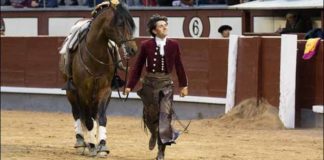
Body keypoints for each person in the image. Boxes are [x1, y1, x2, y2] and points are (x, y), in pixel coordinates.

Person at [124, 14, 188, 160]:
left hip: (166, 84)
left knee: (164, 117)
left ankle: (161, 152)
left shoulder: (173, 44)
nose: (165, 27)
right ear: (154, 31)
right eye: (161, 25)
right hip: (149, 85)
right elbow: (138, 66)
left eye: (166, 25)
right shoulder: (146, 45)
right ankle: (154, 133)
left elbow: (179, 65)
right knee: (150, 117)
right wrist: (130, 85)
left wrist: (184, 85)